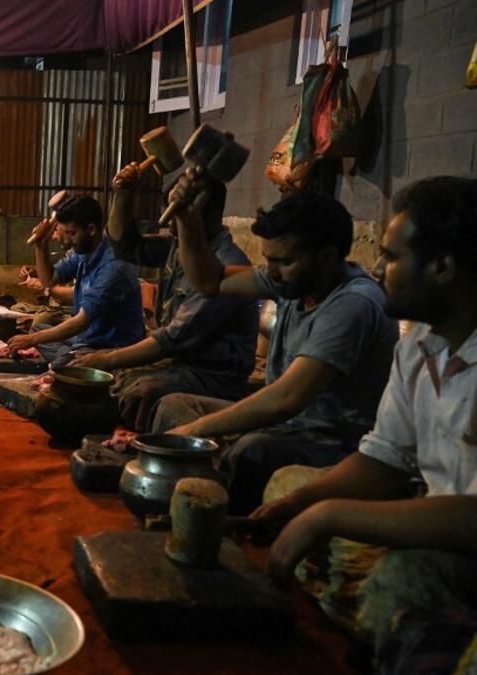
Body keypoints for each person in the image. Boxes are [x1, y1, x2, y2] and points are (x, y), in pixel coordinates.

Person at [252, 176, 477, 651]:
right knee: (289, 487)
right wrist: (301, 506)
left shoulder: (356, 305)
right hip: (428, 517)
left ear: (442, 268)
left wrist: (327, 516)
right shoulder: (419, 341)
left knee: (406, 574)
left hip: (460, 542)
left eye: (392, 257)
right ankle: (381, 618)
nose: (378, 267)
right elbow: (384, 459)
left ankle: (395, 621)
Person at [152, 172, 399, 514]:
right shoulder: (293, 281)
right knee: (173, 405)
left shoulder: (352, 303)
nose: (271, 272)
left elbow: (287, 399)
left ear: (327, 256)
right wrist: (186, 219)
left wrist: (192, 431)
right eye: (268, 260)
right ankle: (177, 500)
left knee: (251, 451)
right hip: (287, 426)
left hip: (330, 443)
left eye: (283, 262)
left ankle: (226, 533)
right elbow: (209, 279)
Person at [72, 163, 258, 431]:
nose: (171, 226)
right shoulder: (178, 245)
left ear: (212, 215)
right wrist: (122, 195)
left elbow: (173, 337)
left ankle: (140, 451)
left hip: (212, 376)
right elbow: (125, 246)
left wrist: (107, 358)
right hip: (178, 363)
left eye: (180, 217)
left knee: (140, 390)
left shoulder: (226, 264)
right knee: (106, 377)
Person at [6, 195, 145, 365]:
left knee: (57, 358)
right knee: (37, 328)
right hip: (86, 337)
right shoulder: (84, 253)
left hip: (111, 346)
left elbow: (80, 322)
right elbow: (49, 280)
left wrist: (31, 340)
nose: (65, 241)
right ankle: (71, 355)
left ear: (91, 230)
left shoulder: (113, 267)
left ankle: (72, 358)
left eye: (71, 233)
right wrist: (41, 246)